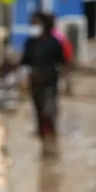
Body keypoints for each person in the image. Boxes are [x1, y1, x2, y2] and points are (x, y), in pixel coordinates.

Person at [21, 11, 66, 156]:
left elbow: (62, 62)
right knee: (39, 113)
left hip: (50, 83)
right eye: (33, 23)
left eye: (37, 23)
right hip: (35, 83)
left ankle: (52, 143)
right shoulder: (30, 43)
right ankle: (43, 145)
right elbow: (25, 62)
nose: (35, 26)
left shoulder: (54, 42)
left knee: (50, 112)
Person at [48, 13, 74, 95]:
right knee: (65, 73)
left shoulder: (54, 34)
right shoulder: (57, 33)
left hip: (62, 56)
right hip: (65, 55)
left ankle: (63, 89)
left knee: (61, 73)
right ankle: (67, 89)